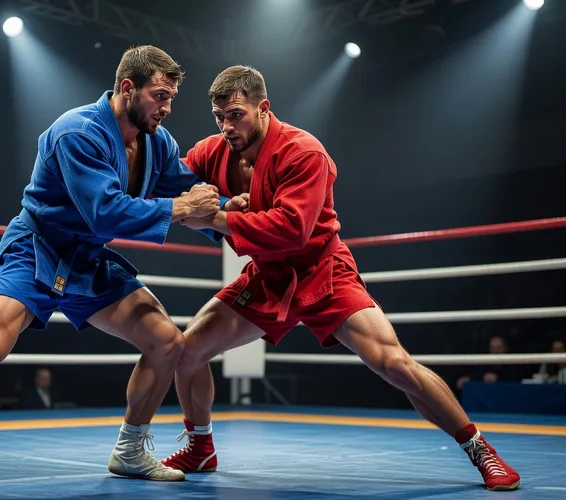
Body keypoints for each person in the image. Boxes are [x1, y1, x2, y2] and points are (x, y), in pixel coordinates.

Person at [0, 45, 224, 496]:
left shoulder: (158, 143)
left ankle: (130, 451)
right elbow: (107, 214)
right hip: (37, 249)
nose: (166, 108)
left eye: (171, 98)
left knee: (168, 343)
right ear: (128, 87)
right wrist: (181, 207)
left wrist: (242, 215)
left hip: (86, 258)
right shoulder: (78, 132)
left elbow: (195, 195)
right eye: (159, 96)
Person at [160, 65, 521, 492]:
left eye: (236, 115)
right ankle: (200, 447)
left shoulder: (303, 152)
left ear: (263, 108)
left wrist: (215, 216)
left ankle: (480, 450)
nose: (227, 127)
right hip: (268, 274)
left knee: (393, 363)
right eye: (219, 117)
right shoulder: (213, 151)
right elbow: (168, 180)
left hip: (322, 269)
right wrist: (184, 199)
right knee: (187, 350)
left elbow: (292, 229)